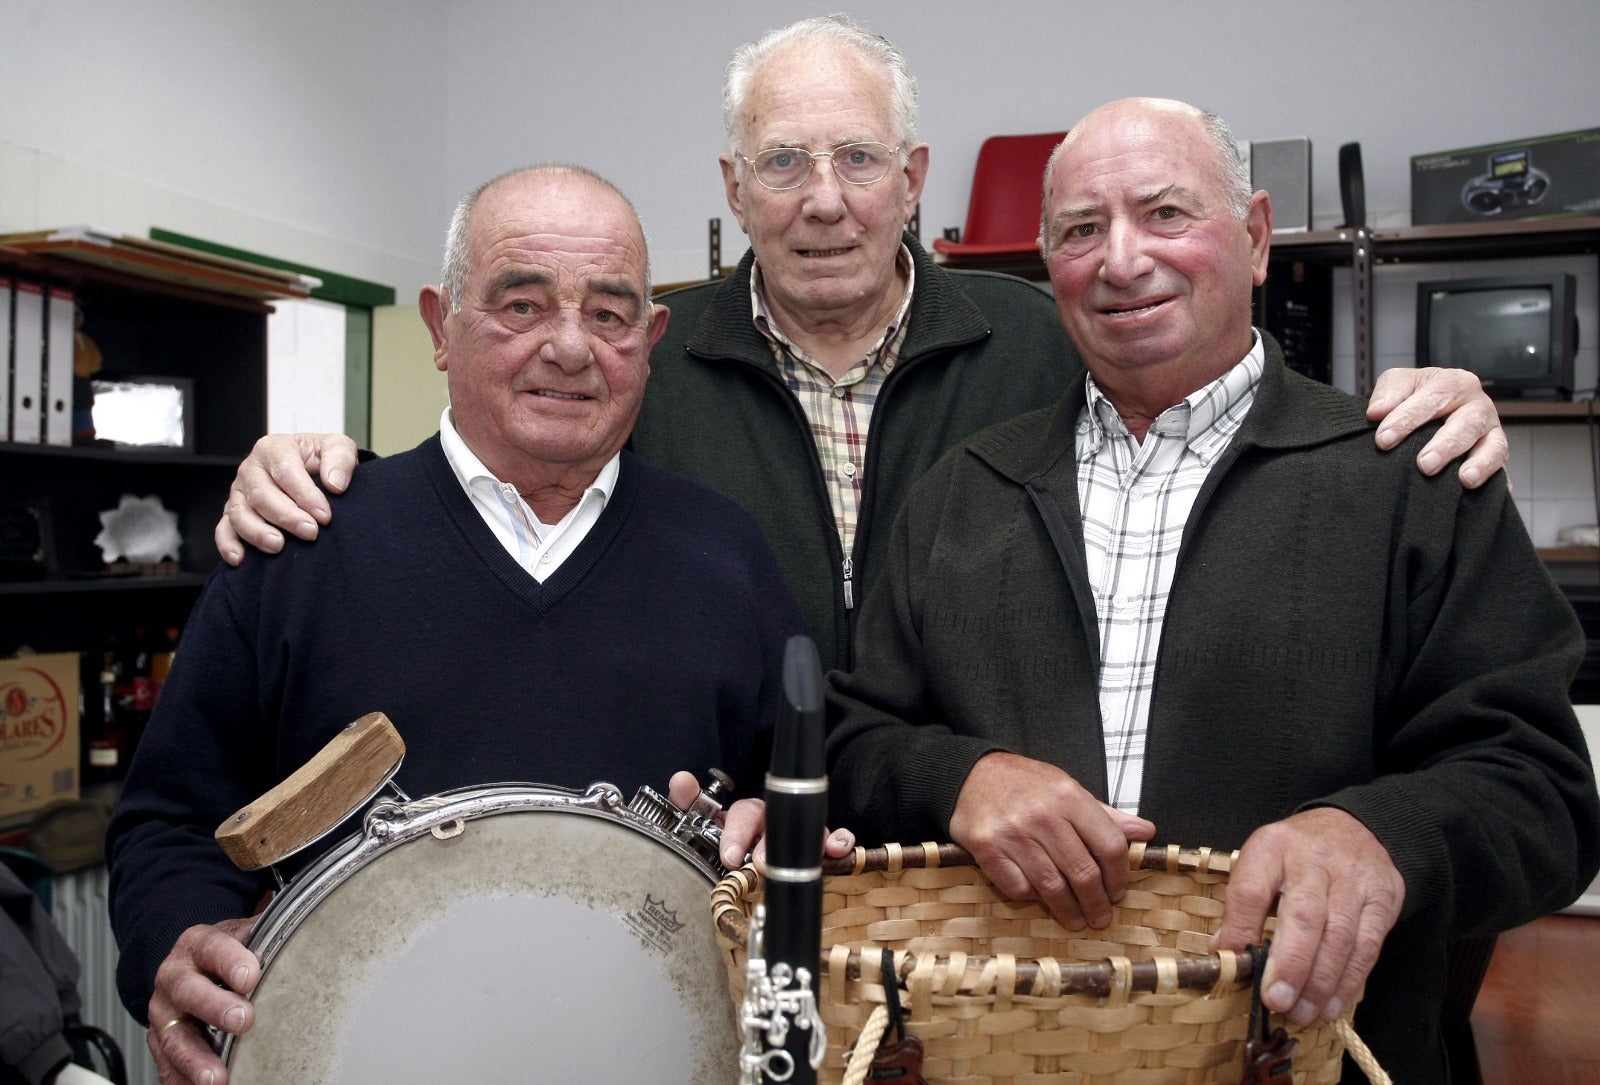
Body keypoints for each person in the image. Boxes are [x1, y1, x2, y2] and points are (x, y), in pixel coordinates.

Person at [213, 15, 1508, 679]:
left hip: (978, 863)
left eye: (858, 159)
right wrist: (319, 466)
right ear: (733, 187)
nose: (823, 199)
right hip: (721, 851)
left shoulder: (1042, 337)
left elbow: (1211, 407)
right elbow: (500, 466)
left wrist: (1409, 402)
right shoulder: (637, 352)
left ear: (913, 178)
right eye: (783, 161)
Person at [824, 97, 1600, 1084]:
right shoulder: (960, 494)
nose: (1121, 260)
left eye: (1165, 214)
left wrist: (1380, 835)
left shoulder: (1411, 479)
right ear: (1048, 263)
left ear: (1256, 237)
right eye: (1080, 230)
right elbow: (852, 744)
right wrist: (958, 777)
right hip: (1001, 1058)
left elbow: (1542, 793)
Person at [106, 165, 852, 1085]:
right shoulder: (300, 546)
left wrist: (784, 834)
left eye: (609, 314)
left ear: (650, 340)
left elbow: (812, 804)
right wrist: (178, 940)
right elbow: (166, 825)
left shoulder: (728, 558)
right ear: (439, 325)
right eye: (522, 305)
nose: (570, 348)